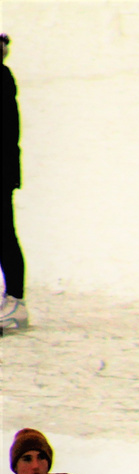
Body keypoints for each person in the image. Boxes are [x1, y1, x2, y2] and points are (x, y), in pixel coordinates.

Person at [0, 33, 27, 334]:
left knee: (4, 235)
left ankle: (16, 302)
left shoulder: (2, 78)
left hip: (1, 172)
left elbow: (7, 133)